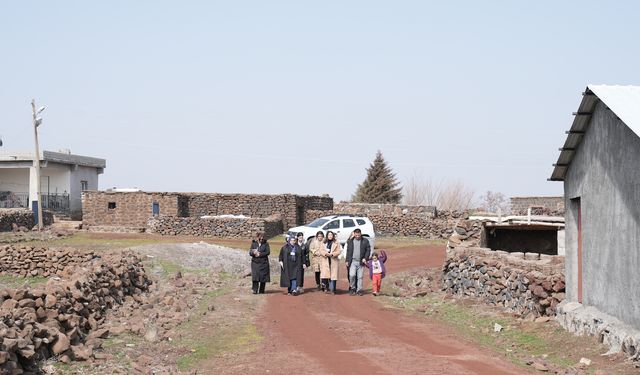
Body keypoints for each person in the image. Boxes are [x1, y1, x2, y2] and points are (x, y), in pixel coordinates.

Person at [345, 228, 371, 296]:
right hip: (352, 261)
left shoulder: (365, 241)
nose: (357, 237)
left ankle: (359, 290)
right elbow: (348, 251)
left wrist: (365, 258)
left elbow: (368, 250)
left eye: (358, 235)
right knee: (352, 275)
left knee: (360, 277)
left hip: (361, 262)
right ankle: (352, 288)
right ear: (354, 234)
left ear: (360, 234)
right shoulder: (350, 241)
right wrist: (347, 260)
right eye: (356, 235)